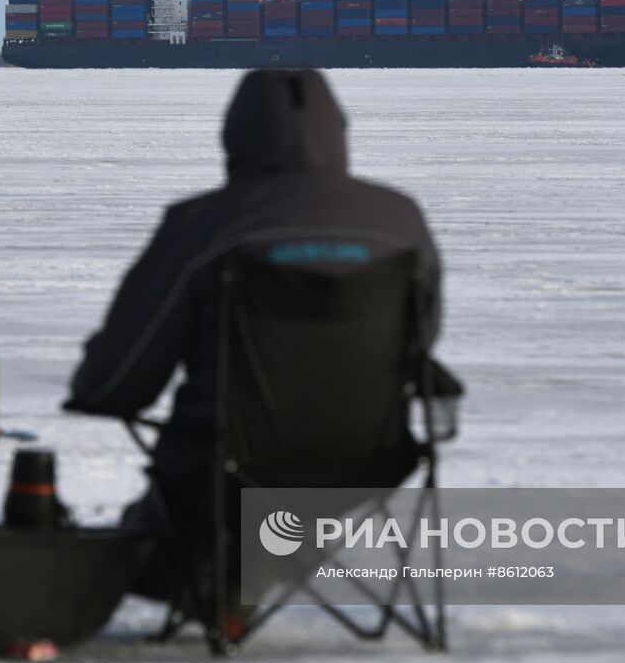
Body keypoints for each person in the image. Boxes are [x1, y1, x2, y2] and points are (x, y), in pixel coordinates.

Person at [63, 68, 445, 599]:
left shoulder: (203, 226)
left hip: (223, 460)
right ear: (338, 129)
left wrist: (96, 393)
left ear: (234, 135)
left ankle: (212, 577)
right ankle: (255, 566)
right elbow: (422, 339)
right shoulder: (401, 221)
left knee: (168, 529)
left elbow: (124, 372)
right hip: (371, 459)